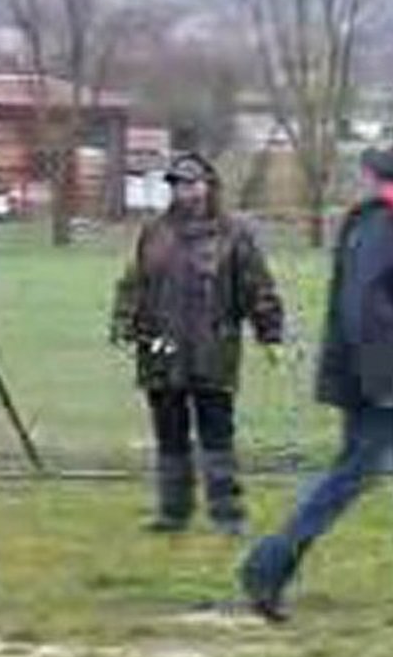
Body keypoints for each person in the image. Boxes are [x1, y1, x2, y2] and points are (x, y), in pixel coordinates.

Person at [241, 146, 393, 621]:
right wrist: (384, 379)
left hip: (373, 373)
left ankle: (269, 563)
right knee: (352, 474)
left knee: (351, 472)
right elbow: (364, 308)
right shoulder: (381, 226)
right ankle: (269, 564)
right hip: (379, 379)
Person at [110, 152, 284, 535]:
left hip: (213, 351)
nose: (184, 192)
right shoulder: (154, 232)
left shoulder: (234, 235)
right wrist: (123, 322)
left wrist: (269, 332)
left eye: (191, 184)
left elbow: (258, 287)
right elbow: (133, 283)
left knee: (217, 434)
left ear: (208, 186)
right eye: (177, 185)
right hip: (160, 350)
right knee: (169, 434)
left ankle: (227, 513)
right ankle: (173, 512)